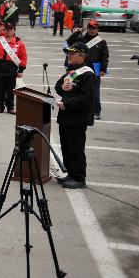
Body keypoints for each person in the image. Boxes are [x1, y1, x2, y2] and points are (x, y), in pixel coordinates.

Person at [55, 45, 96, 189]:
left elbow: (86, 98)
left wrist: (67, 104)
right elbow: (59, 85)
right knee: (66, 147)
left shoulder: (87, 74)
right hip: (66, 117)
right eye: (69, 53)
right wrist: (62, 88)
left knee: (75, 148)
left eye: (72, 53)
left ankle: (79, 178)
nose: (69, 56)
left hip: (77, 118)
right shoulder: (73, 71)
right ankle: (71, 174)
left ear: (82, 55)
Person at [65, 19, 109, 120]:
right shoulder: (81, 39)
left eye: (94, 28)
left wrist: (103, 69)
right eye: (90, 28)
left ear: (97, 29)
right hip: (80, 68)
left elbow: (105, 57)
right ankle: (79, 107)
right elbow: (69, 41)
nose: (91, 30)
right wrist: (79, 31)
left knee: (95, 90)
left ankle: (96, 111)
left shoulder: (101, 42)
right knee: (77, 88)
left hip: (95, 68)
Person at [0, 23, 27, 114]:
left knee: (11, 90)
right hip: (0, 68)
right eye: (7, 29)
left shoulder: (19, 43)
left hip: (11, 69)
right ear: (4, 30)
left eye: (11, 29)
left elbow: (23, 57)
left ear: (14, 31)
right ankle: (0, 107)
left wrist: (21, 70)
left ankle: (10, 107)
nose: (9, 31)